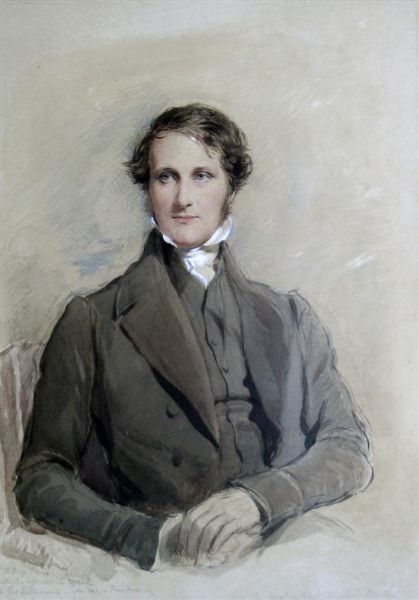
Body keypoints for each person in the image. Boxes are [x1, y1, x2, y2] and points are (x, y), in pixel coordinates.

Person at [15, 104, 373, 571]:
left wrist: (259, 500)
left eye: (202, 176)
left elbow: (347, 447)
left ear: (230, 188)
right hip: (165, 560)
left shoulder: (288, 316)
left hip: (279, 538)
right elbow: (39, 479)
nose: (183, 198)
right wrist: (152, 538)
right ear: (148, 191)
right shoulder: (93, 319)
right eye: (166, 177)